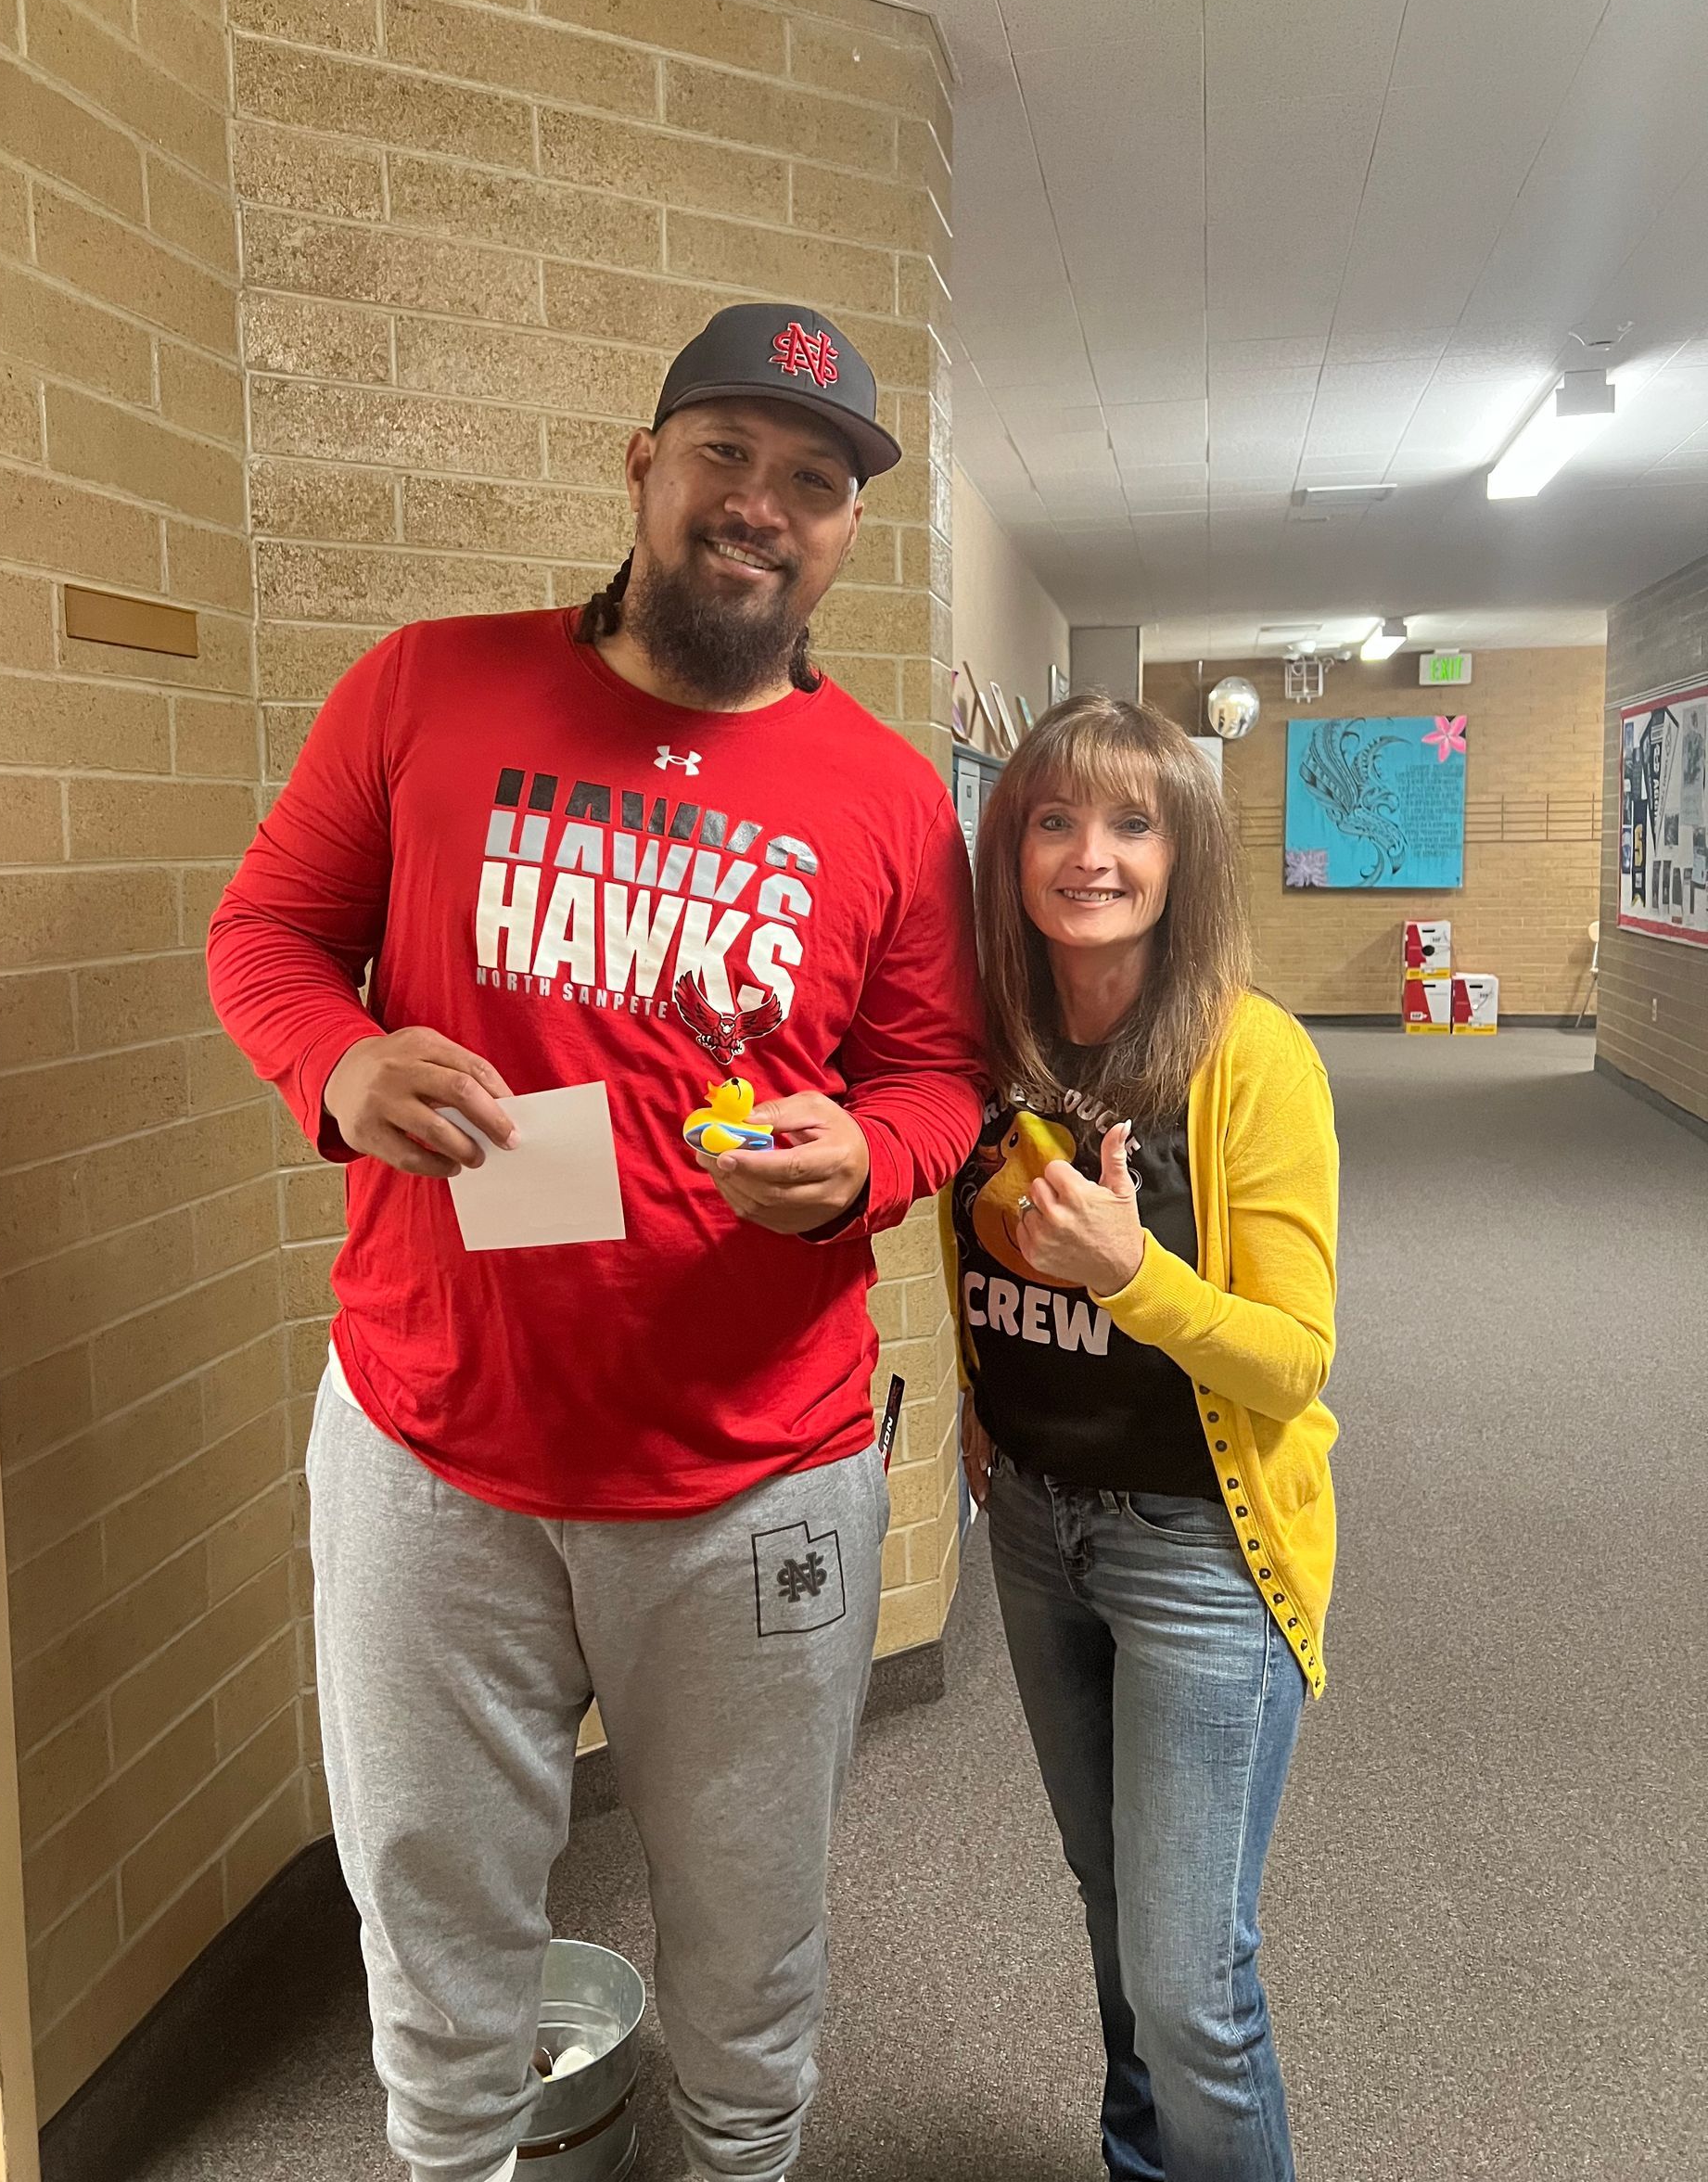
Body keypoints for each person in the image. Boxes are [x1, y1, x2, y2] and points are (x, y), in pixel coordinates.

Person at [208, 302, 986, 2182]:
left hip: (754, 1482)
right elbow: (267, 936)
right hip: (428, 1452)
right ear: (645, 469)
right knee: (439, 1924)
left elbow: (945, 1069)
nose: (763, 504)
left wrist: (868, 1153)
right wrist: (344, 1057)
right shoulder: (424, 688)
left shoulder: (883, 792)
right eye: (727, 452)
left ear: (845, 535)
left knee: (749, 1941)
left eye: (814, 481)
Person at [946, 694, 1339, 2182]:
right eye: (1055, 819)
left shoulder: (1255, 1061)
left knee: (1192, 1988)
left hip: (1203, 1552)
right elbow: (971, 1255)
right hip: (1041, 1530)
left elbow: (1294, 1360)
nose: (1089, 855)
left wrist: (1135, 1276)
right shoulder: (989, 1048)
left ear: (1184, 858)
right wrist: (984, 1412)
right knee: (1117, 1920)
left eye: (1131, 824)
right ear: (1013, 843)